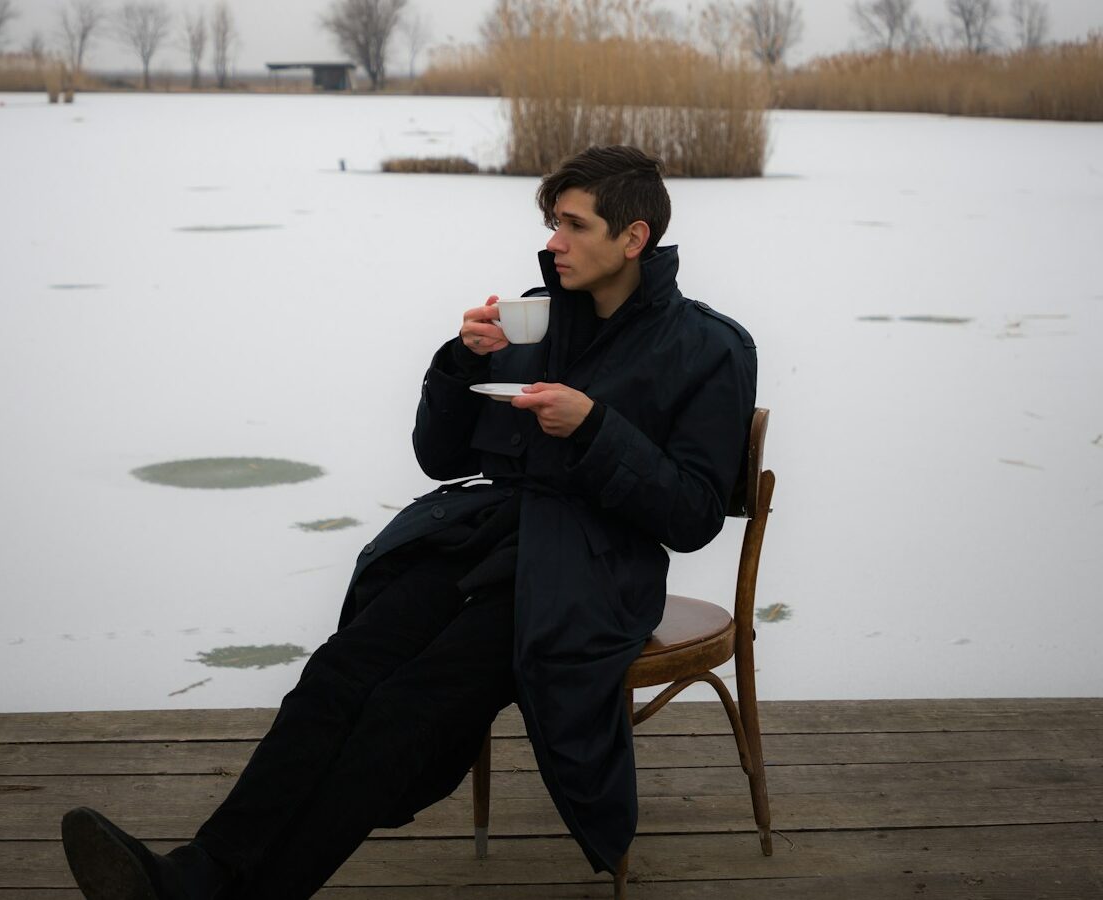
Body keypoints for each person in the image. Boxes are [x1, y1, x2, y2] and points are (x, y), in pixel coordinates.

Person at [60, 145, 757, 899]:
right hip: (488, 540)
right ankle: (195, 875)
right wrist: (460, 363)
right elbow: (439, 456)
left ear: (633, 237)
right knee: (338, 675)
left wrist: (594, 428)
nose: (553, 241)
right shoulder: (539, 317)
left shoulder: (710, 348)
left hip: (593, 575)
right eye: (552, 222)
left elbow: (691, 515)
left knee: (405, 710)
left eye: (572, 225)